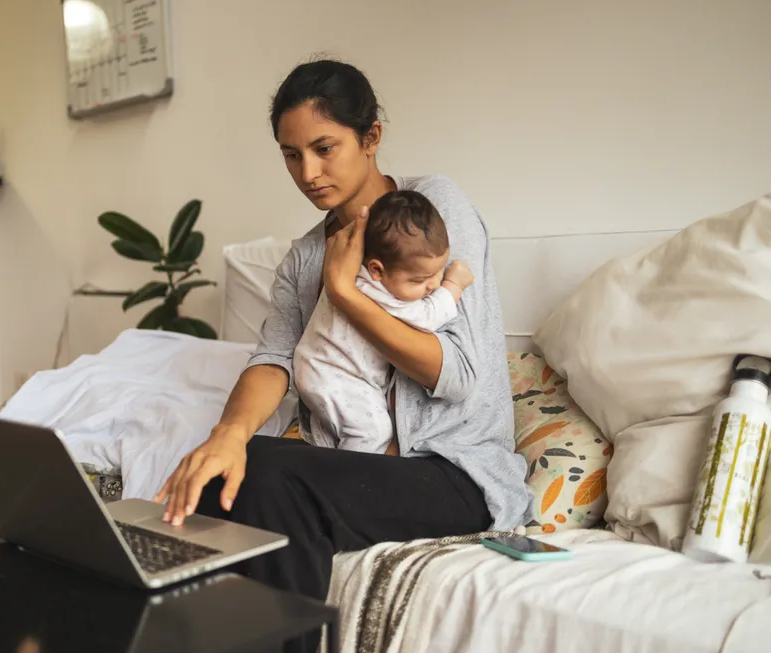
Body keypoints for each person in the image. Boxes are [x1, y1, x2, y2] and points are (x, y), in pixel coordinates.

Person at [155, 58, 533, 652]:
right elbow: (273, 360)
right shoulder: (305, 257)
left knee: (270, 474)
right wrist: (227, 434)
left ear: (372, 136)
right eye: (290, 154)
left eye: (324, 148)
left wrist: (346, 295)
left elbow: (455, 375)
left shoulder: (431, 210)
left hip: (453, 472)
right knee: (225, 475)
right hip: (363, 468)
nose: (308, 172)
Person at [293, 189, 476, 453]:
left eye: (439, 272)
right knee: (374, 431)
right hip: (335, 375)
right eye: (419, 280)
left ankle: (329, 452)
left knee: (349, 424)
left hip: (319, 369)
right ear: (377, 269)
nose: (433, 284)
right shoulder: (372, 291)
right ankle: (348, 479)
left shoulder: (353, 272)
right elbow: (427, 318)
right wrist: (453, 284)